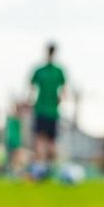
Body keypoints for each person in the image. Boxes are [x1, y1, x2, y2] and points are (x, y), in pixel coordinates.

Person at [28, 42, 67, 180]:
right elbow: (63, 93)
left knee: (40, 141)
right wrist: (57, 100)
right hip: (52, 112)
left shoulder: (40, 71)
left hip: (41, 110)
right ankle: (57, 170)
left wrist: (29, 103)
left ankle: (41, 169)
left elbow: (31, 89)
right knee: (51, 143)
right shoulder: (58, 71)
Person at [5, 99, 26, 176]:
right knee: (12, 157)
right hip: (12, 140)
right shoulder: (12, 117)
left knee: (16, 157)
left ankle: (15, 171)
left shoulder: (18, 118)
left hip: (16, 140)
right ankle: (12, 171)